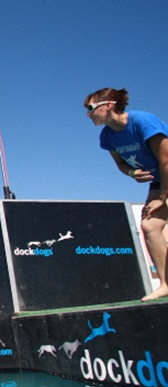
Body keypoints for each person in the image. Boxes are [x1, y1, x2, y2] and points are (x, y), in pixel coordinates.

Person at [85, 87, 168, 301]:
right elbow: (121, 164)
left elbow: (166, 160)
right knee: (150, 226)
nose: (88, 114)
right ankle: (165, 284)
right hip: (159, 180)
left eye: (91, 108)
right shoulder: (107, 137)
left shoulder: (143, 122)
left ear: (109, 105)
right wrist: (132, 173)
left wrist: (162, 198)